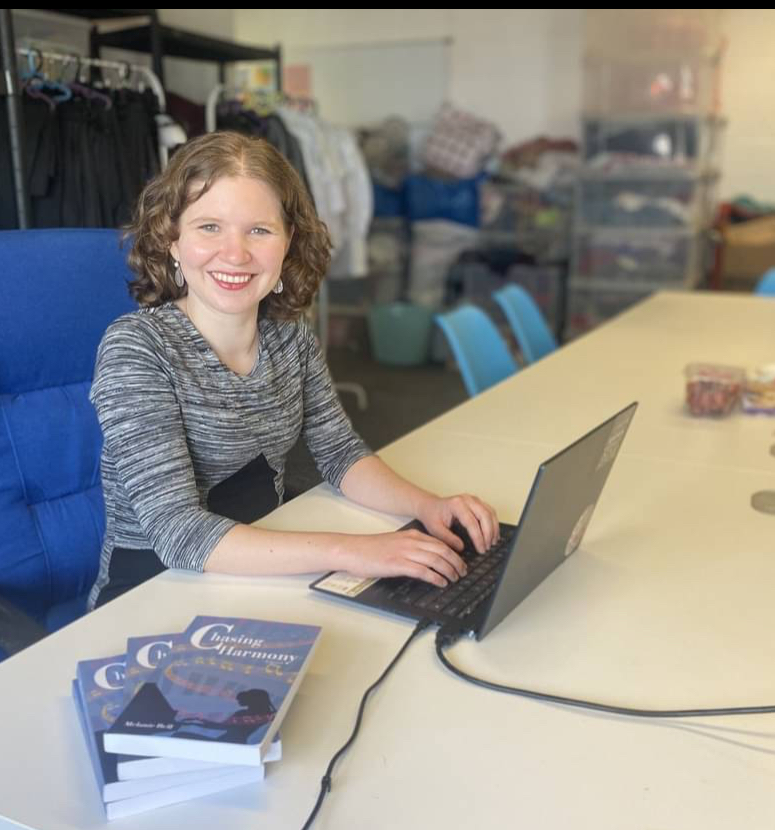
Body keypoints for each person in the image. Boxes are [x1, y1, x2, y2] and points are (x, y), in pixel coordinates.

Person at [88, 131, 499, 609]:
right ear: (172, 240)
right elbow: (178, 534)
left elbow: (341, 453)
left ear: (288, 243)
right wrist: (355, 552)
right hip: (154, 593)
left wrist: (427, 506)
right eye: (209, 227)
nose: (236, 253)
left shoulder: (289, 335)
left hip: (263, 571)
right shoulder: (136, 348)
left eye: (259, 230)